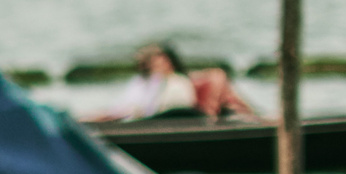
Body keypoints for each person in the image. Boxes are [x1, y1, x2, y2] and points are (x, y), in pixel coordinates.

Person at [96, 43, 260, 124]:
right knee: (106, 115)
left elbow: (177, 106)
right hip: (145, 118)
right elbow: (130, 105)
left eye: (159, 63)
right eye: (152, 64)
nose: (156, 67)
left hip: (170, 117)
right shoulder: (141, 82)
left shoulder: (178, 82)